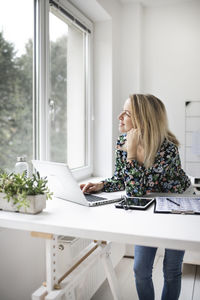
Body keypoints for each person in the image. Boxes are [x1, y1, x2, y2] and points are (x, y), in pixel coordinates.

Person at [80, 94, 191, 300]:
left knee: (171, 269)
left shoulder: (167, 149)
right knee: (140, 269)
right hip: (149, 206)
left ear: (144, 119)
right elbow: (125, 180)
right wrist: (102, 184)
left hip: (177, 207)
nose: (119, 116)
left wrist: (131, 153)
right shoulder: (123, 141)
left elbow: (136, 191)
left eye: (127, 113)